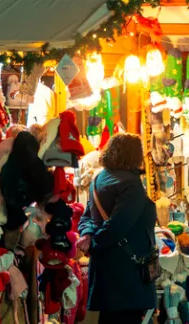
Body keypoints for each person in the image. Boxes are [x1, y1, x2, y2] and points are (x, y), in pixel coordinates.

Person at [78, 133, 157, 324]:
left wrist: (88, 236)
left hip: (105, 268)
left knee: (109, 319)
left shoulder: (99, 179)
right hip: (126, 271)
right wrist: (94, 244)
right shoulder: (130, 184)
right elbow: (118, 225)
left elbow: (87, 216)